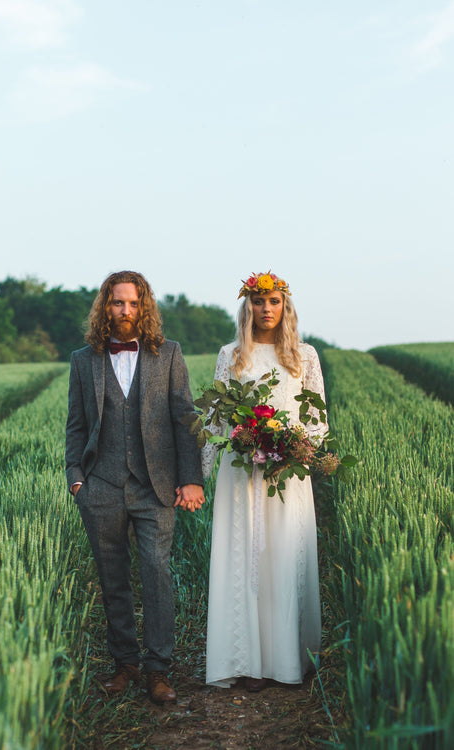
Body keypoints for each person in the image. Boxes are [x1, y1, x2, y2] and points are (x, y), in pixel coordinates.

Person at [65, 270, 205, 705]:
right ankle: (124, 664)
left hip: (155, 486)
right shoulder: (83, 360)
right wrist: (75, 478)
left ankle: (158, 669)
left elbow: (186, 419)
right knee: (112, 579)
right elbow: (76, 424)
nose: (125, 310)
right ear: (105, 307)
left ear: (143, 307)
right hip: (100, 485)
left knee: (156, 574)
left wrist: (191, 478)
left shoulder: (169, 354)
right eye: (116, 302)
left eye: (132, 303)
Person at [203, 272, 326, 691]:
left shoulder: (304, 355)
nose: (266, 309)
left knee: (282, 557)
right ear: (248, 307)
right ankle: (249, 662)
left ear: (284, 305)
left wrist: (294, 448)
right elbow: (217, 417)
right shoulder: (232, 353)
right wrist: (200, 475)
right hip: (242, 474)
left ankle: (285, 660)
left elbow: (317, 417)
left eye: (273, 301)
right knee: (246, 561)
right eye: (258, 302)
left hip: (286, 475)